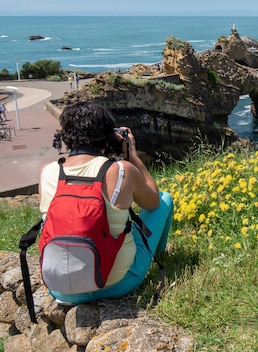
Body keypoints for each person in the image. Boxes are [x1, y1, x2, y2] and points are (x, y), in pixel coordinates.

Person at [38, 102, 173, 305]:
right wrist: (132, 155)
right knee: (165, 199)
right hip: (117, 284)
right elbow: (153, 202)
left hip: (60, 289)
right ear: (108, 135)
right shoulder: (121, 171)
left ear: (66, 135)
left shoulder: (47, 171)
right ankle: (162, 253)